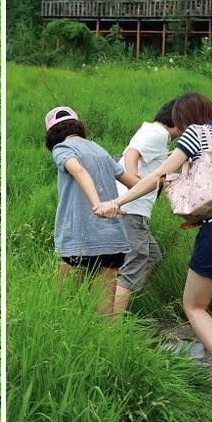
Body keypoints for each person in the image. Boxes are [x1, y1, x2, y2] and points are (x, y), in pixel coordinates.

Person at [94, 92, 212, 389]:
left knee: (194, 305)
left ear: (187, 119)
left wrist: (118, 202)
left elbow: (158, 174)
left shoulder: (196, 134)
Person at [45, 106, 137, 315]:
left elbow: (78, 170)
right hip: (112, 237)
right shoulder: (100, 150)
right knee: (104, 311)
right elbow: (134, 183)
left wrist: (97, 205)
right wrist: (162, 176)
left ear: (51, 134)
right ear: (78, 126)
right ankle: (102, 346)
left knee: (63, 304)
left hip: (79, 236)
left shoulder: (62, 148)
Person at [113, 99, 180, 316]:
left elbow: (144, 156)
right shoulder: (158, 133)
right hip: (132, 210)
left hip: (133, 210)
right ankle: (112, 323)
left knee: (152, 256)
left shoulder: (153, 132)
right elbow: (132, 153)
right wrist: (133, 179)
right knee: (135, 262)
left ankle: (125, 301)